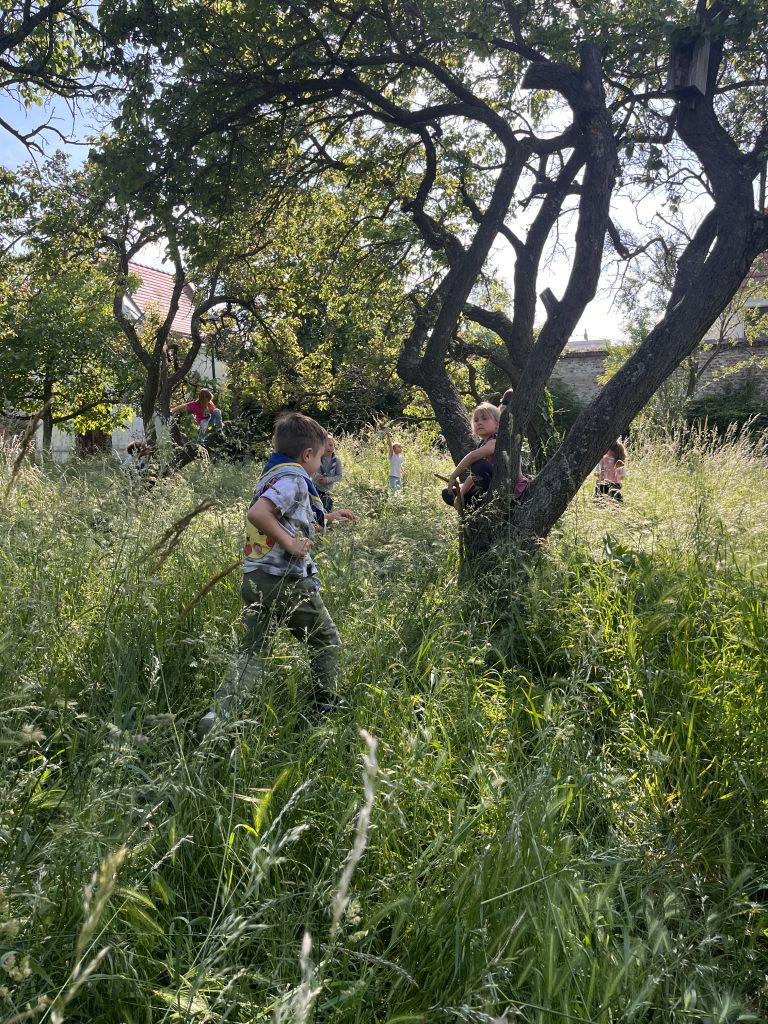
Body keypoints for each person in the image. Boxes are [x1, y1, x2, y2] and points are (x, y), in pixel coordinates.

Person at [196, 412, 355, 740]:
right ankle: (323, 713)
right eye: (319, 457)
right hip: (287, 580)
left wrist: (328, 517)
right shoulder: (294, 478)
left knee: (252, 651)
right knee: (326, 641)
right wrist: (291, 544)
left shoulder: (271, 475)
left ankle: (220, 714)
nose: (320, 465)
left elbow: (288, 514)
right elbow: (258, 513)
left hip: (257, 579)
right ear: (307, 455)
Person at [313, 433, 342, 512]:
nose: (328, 448)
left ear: (334, 446)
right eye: (325, 446)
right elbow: (312, 472)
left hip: (328, 491)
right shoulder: (317, 458)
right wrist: (318, 476)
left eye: (330, 445)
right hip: (315, 488)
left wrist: (327, 480)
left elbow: (339, 476)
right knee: (315, 509)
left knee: (327, 510)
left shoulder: (337, 461)